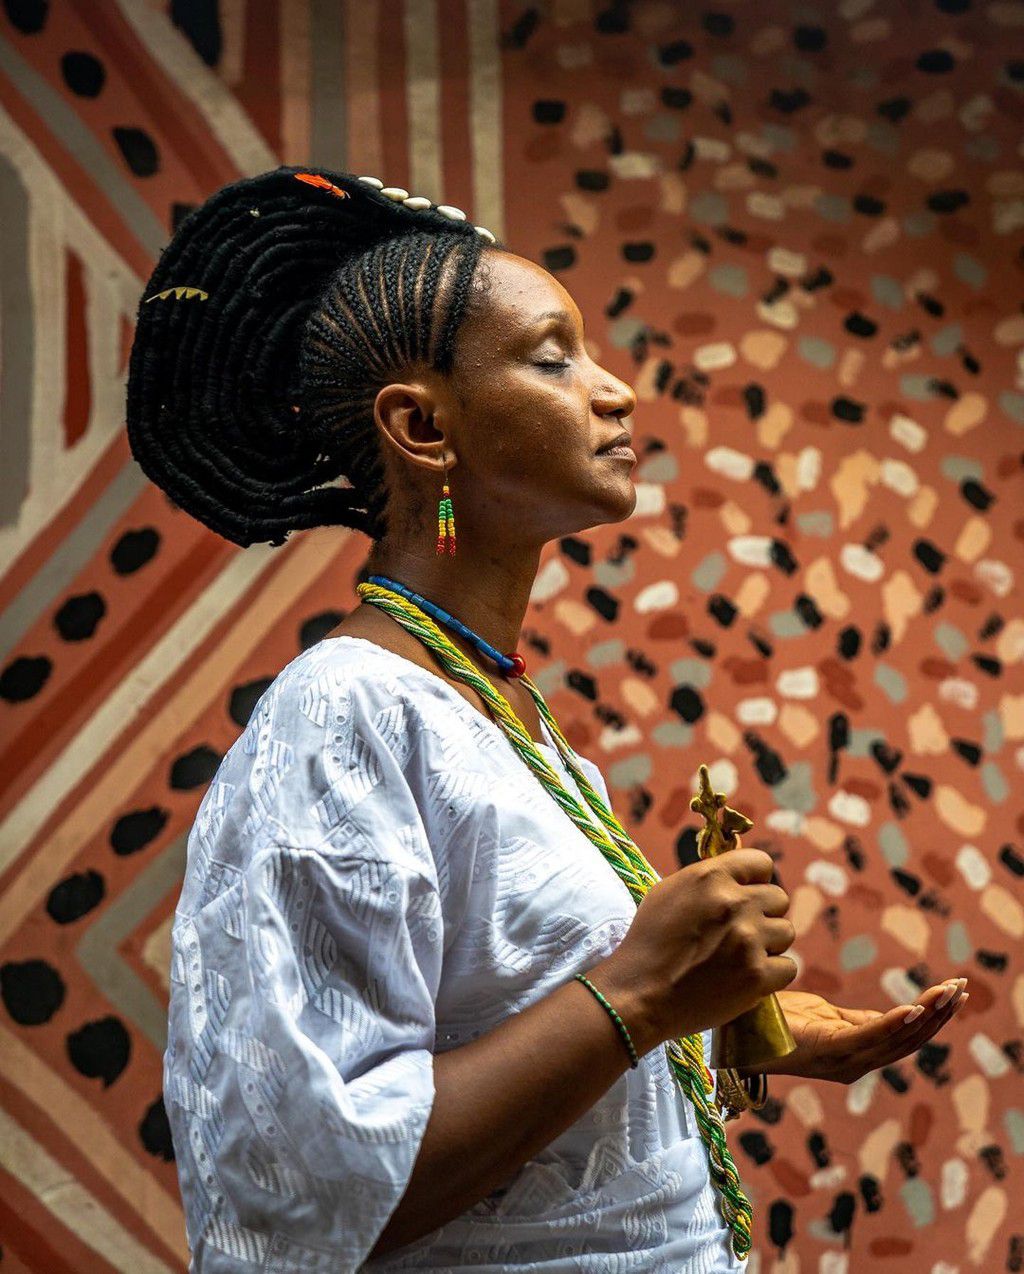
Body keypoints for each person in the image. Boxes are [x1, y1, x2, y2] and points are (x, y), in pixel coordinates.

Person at [127, 166, 968, 1272]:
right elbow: (314, 1188)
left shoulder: (503, 714)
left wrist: (733, 1024)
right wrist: (640, 986)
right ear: (422, 425)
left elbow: (509, 1044)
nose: (614, 391)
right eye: (551, 357)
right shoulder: (342, 720)